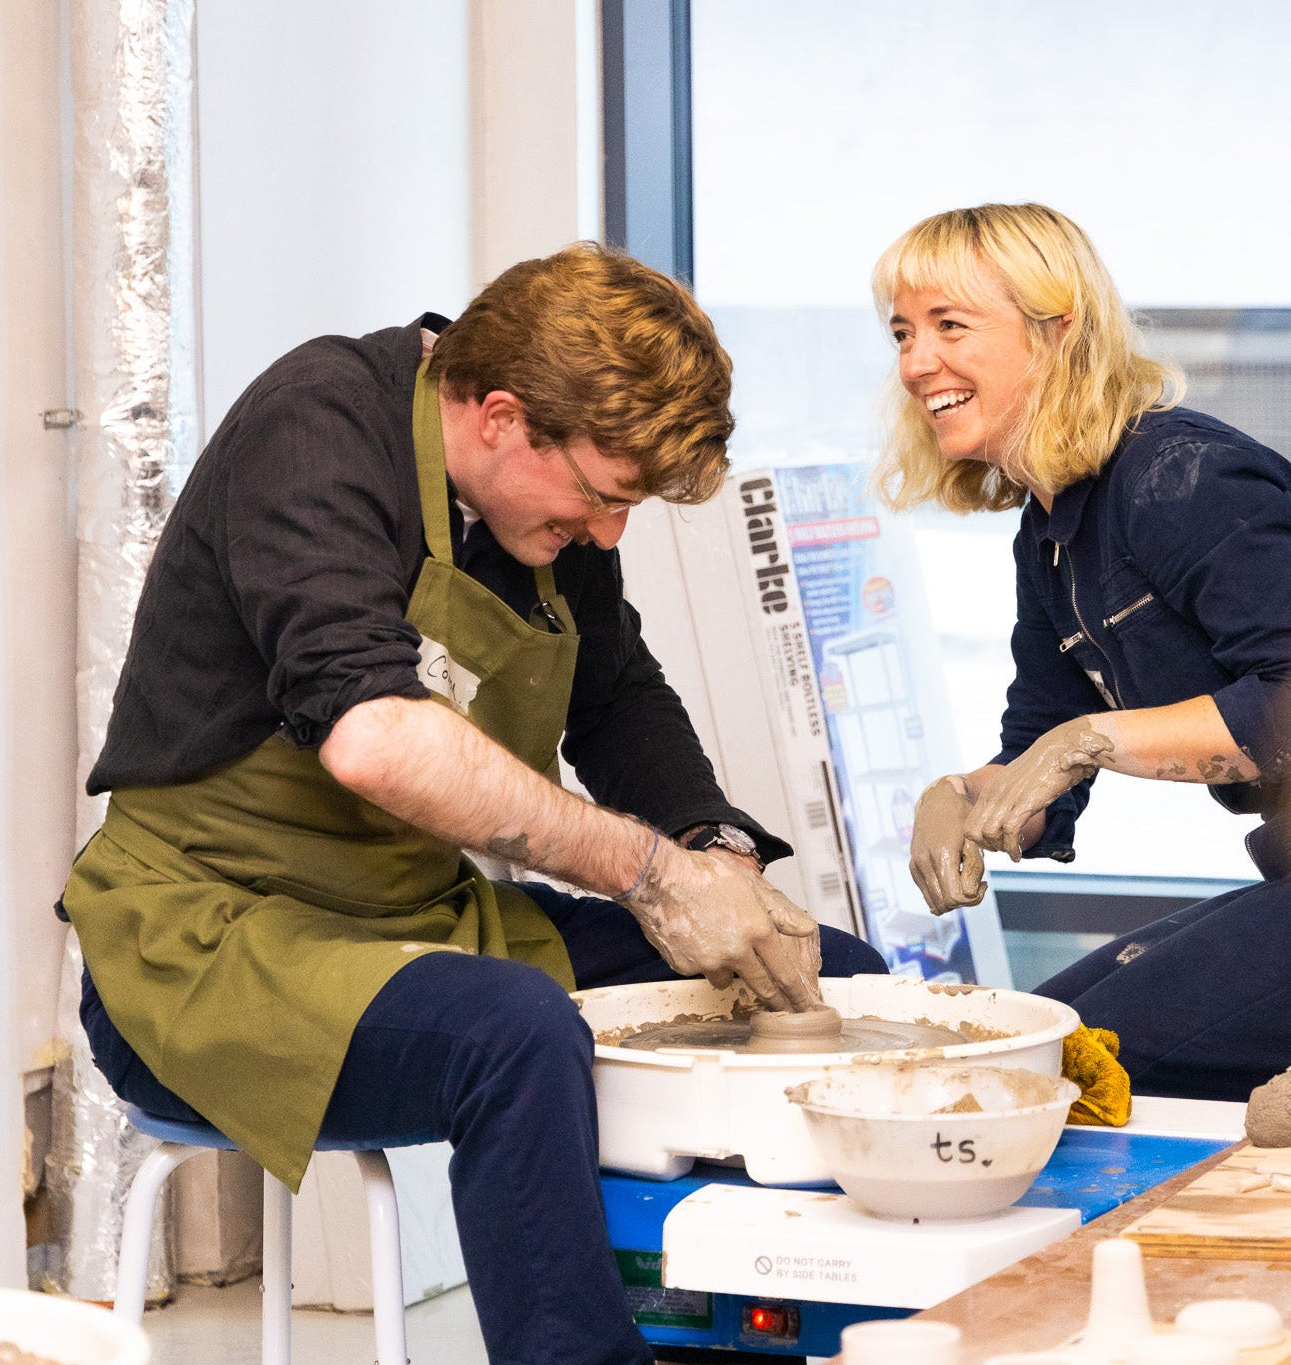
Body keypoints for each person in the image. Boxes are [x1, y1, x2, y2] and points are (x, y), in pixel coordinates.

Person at [61, 241, 887, 1365]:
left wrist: (716, 853)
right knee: (514, 1035)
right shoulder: (315, 433)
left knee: (827, 972)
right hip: (202, 946)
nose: (607, 535)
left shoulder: (538, 513)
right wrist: (651, 876)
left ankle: (779, 1332)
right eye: (601, 499)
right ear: (500, 415)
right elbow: (375, 738)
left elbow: (615, 696)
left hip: (413, 923)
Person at [873, 202, 1291, 1107]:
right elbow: (1040, 739)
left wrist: (1089, 739)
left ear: (1056, 333)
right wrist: (966, 797)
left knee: (1076, 1065)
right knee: (1031, 1033)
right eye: (902, 332)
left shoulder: (1181, 480)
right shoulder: (1052, 531)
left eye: (950, 326)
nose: (915, 363)